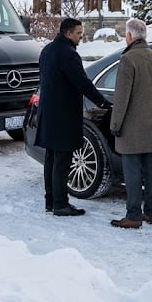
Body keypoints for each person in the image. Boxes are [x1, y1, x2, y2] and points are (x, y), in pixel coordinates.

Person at [35, 17, 112, 217]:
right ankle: (61, 204)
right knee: (62, 160)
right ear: (67, 33)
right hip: (64, 115)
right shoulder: (68, 54)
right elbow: (83, 83)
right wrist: (102, 102)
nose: (80, 36)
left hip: (48, 112)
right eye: (78, 33)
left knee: (51, 159)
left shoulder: (47, 50)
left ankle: (51, 201)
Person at [109, 18, 152, 229]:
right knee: (150, 170)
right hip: (151, 123)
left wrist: (115, 125)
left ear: (130, 36)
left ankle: (133, 215)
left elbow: (121, 98)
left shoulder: (128, 59)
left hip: (131, 126)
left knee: (132, 172)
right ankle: (151, 212)